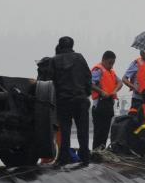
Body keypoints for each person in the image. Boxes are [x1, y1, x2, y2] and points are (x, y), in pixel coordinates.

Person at [50, 36, 92, 165]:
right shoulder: (79, 58)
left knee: (65, 130)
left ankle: (64, 157)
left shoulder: (54, 61)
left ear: (60, 46)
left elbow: (51, 81)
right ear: (72, 45)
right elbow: (88, 77)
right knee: (83, 130)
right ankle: (85, 156)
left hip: (63, 100)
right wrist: (86, 93)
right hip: (80, 99)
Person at [90, 51, 121, 150]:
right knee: (98, 131)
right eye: (110, 63)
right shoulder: (98, 70)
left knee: (105, 131)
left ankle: (102, 151)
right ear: (103, 60)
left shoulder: (111, 72)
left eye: (113, 63)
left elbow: (120, 82)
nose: (111, 66)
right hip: (99, 104)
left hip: (108, 104)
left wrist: (114, 91)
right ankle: (95, 152)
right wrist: (101, 92)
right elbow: (90, 84)